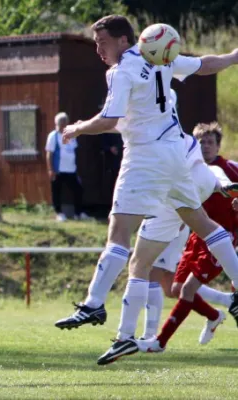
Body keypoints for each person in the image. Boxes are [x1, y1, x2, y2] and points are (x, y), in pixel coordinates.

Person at [59, 14, 238, 365]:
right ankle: (126, 337)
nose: (98, 50)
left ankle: (94, 305)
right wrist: (233, 56)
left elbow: (110, 120)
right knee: (178, 239)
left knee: (118, 234)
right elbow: (204, 65)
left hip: (146, 161)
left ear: (125, 41)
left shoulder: (121, 71)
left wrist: (78, 128)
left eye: (103, 43)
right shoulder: (159, 57)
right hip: (179, 157)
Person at [138, 123, 238, 352]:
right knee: (175, 288)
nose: (204, 147)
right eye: (200, 142)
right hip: (196, 237)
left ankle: (159, 342)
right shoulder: (188, 169)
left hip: (222, 238)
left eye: (209, 142)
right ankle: (215, 315)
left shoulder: (229, 169)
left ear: (218, 146)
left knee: (187, 290)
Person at [46, 112, 89, 221]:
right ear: (57, 124)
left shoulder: (71, 135)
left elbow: (74, 150)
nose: (63, 125)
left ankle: (78, 213)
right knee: (57, 191)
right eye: (61, 123)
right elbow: (49, 154)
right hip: (58, 170)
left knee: (78, 190)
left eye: (65, 123)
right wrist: (51, 169)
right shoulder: (53, 136)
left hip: (71, 170)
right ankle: (59, 213)